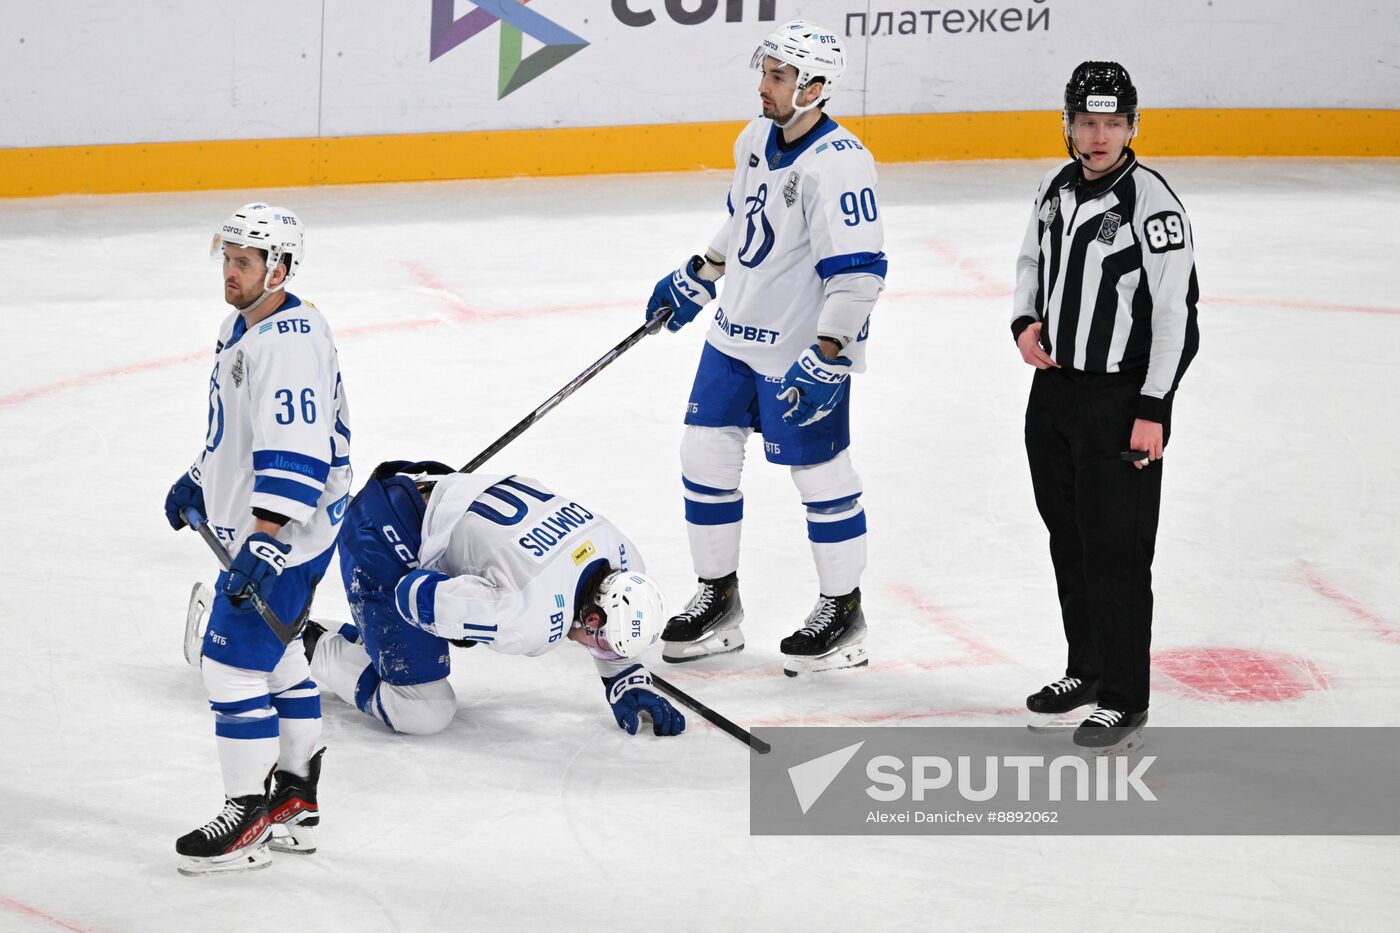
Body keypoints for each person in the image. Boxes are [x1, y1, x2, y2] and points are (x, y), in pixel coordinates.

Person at [644, 19, 886, 677]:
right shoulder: (756, 138)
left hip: (795, 351)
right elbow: (745, 217)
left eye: (779, 77)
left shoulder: (840, 165)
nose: (765, 87)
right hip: (733, 335)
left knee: (821, 474)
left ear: (814, 86)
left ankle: (843, 610)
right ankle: (718, 600)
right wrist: (702, 270)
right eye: (766, 72)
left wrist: (828, 352)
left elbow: (859, 272)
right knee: (703, 450)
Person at [1011, 62, 1200, 751]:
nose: (1099, 136)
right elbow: (1033, 260)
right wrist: (1024, 321)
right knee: (1070, 537)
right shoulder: (1055, 189)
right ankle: (1086, 669)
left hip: (1120, 401)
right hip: (1055, 394)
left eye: (1113, 123)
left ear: (1132, 127)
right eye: (1087, 122)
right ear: (1068, 124)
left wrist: (1154, 407)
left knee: (1117, 553)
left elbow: (1178, 315)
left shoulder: (1152, 203)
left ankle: (1125, 696)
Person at [164, 203, 352, 874]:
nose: (232, 271)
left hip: (288, 532)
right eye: (229, 257)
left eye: (246, 260)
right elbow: (238, 433)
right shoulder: (243, 326)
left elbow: (298, 452)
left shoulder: (286, 344)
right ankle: (296, 802)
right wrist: (199, 479)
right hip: (276, 525)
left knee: (229, 664)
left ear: (280, 267)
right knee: (277, 661)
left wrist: (266, 540)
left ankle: (245, 813)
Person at [303, 461, 685, 739]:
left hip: (434, 485)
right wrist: (462, 619)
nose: (606, 652)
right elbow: (413, 597)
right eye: (605, 644)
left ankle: (329, 635)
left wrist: (625, 679)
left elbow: (595, 606)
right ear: (595, 619)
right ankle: (303, 646)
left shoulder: (624, 557)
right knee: (422, 709)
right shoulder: (529, 616)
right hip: (385, 529)